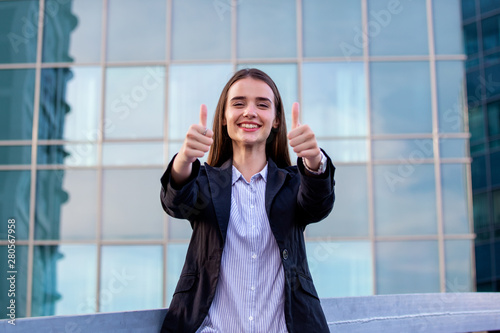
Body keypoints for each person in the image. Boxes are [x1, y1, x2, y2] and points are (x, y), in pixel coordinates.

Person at [160, 68, 335, 333]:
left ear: (276, 120)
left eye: (262, 105)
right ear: (224, 118)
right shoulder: (205, 182)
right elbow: (176, 202)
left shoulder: (293, 182)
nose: (250, 112)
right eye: (238, 103)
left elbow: (318, 204)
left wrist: (314, 161)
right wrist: (184, 159)